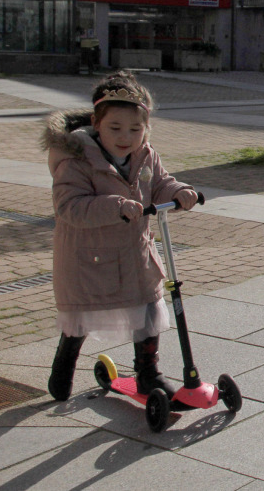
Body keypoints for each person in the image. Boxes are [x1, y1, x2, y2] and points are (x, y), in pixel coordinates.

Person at [40, 71, 199, 401]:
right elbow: (69, 206)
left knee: (150, 311)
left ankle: (148, 374)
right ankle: (64, 364)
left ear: (146, 129)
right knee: (80, 317)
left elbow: (159, 183)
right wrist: (115, 206)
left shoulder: (145, 154)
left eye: (135, 129)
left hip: (134, 252)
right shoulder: (76, 159)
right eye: (115, 128)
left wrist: (181, 191)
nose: (126, 137)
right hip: (89, 256)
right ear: (97, 125)